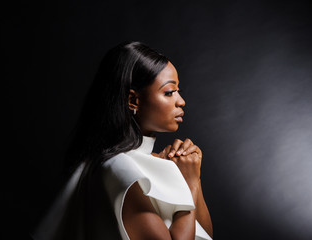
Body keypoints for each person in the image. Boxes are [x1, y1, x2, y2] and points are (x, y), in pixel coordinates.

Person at [33, 41, 213, 240]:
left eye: (178, 91)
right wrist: (188, 185)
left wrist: (192, 177)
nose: (181, 101)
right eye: (169, 92)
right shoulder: (121, 169)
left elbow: (204, 235)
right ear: (133, 100)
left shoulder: (141, 162)